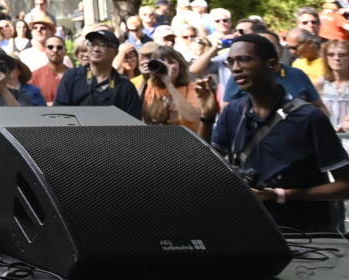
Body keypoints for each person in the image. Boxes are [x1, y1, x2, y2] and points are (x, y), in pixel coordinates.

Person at [203, 35, 349, 235]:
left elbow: (345, 186)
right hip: (247, 227)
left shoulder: (308, 117)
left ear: (271, 64)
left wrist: (280, 195)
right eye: (231, 61)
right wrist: (207, 117)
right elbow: (205, 167)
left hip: (305, 235)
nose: (235, 68)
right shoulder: (233, 111)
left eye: (244, 59)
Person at [53, 29, 143, 118]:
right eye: (92, 44)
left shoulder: (125, 86)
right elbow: (58, 114)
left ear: (115, 52)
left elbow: (133, 123)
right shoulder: (72, 76)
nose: (96, 49)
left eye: (102, 45)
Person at [136, 44, 204, 135]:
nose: (166, 66)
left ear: (180, 65)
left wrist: (169, 84)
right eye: (162, 62)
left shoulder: (192, 87)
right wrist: (144, 79)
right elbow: (139, 114)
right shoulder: (151, 85)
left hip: (183, 142)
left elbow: (192, 117)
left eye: (171, 62)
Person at [317, 39, 349, 132]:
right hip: (326, 137)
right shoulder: (320, 83)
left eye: (342, 55)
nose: (337, 58)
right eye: (331, 54)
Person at [29, 35, 72, 101]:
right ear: (45, 51)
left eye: (59, 47)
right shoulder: (34, 76)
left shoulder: (75, 76)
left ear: (65, 51)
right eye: (50, 47)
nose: (55, 50)